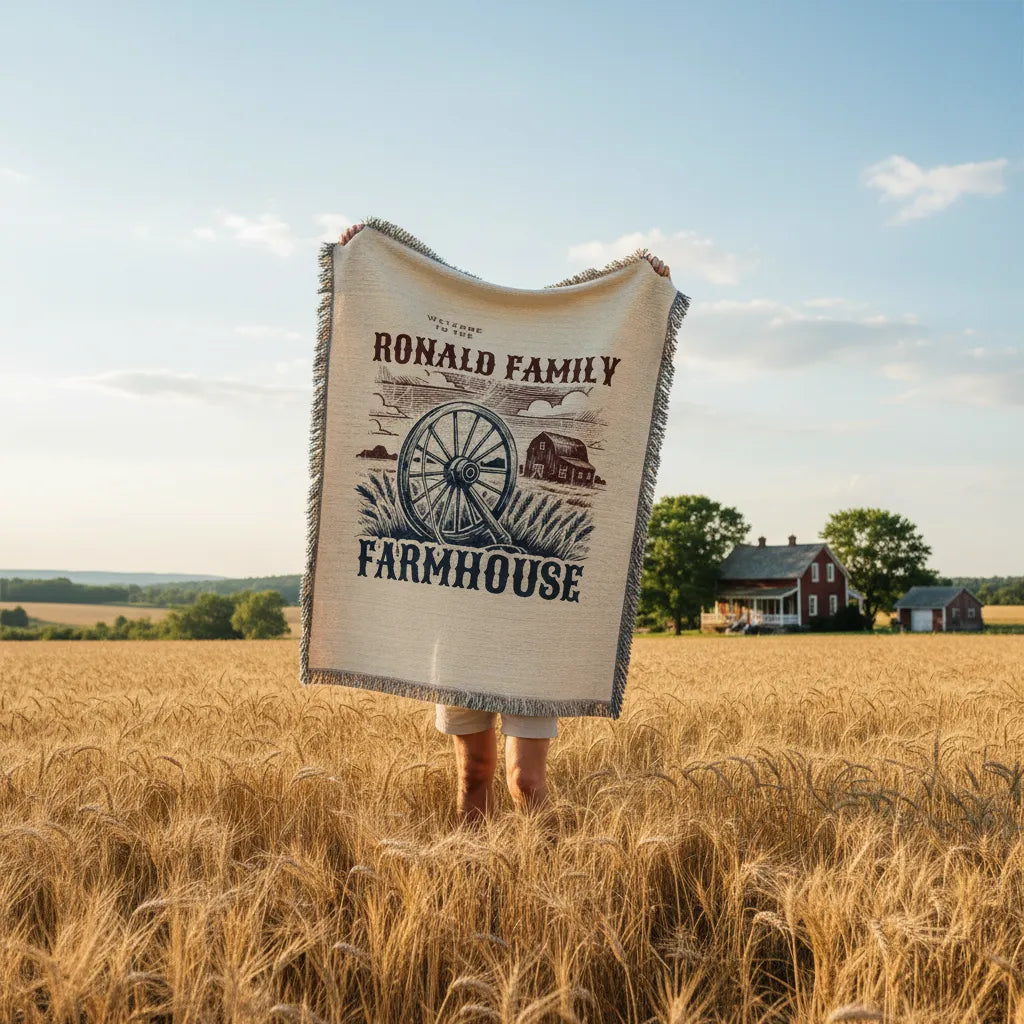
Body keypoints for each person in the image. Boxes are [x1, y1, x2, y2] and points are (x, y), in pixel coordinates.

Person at [337, 222, 670, 825]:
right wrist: (368, 253)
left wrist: (644, 296)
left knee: (528, 782)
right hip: (458, 628)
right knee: (474, 776)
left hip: (533, 636)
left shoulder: (544, 446)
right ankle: (474, 876)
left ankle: (539, 880)